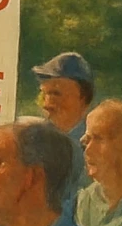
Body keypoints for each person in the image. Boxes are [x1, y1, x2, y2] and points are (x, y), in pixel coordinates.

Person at [30, 52, 94, 202]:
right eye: (44, 94)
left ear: (83, 99)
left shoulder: (95, 146)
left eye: (56, 94)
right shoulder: (35, 141)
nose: (47, 104)